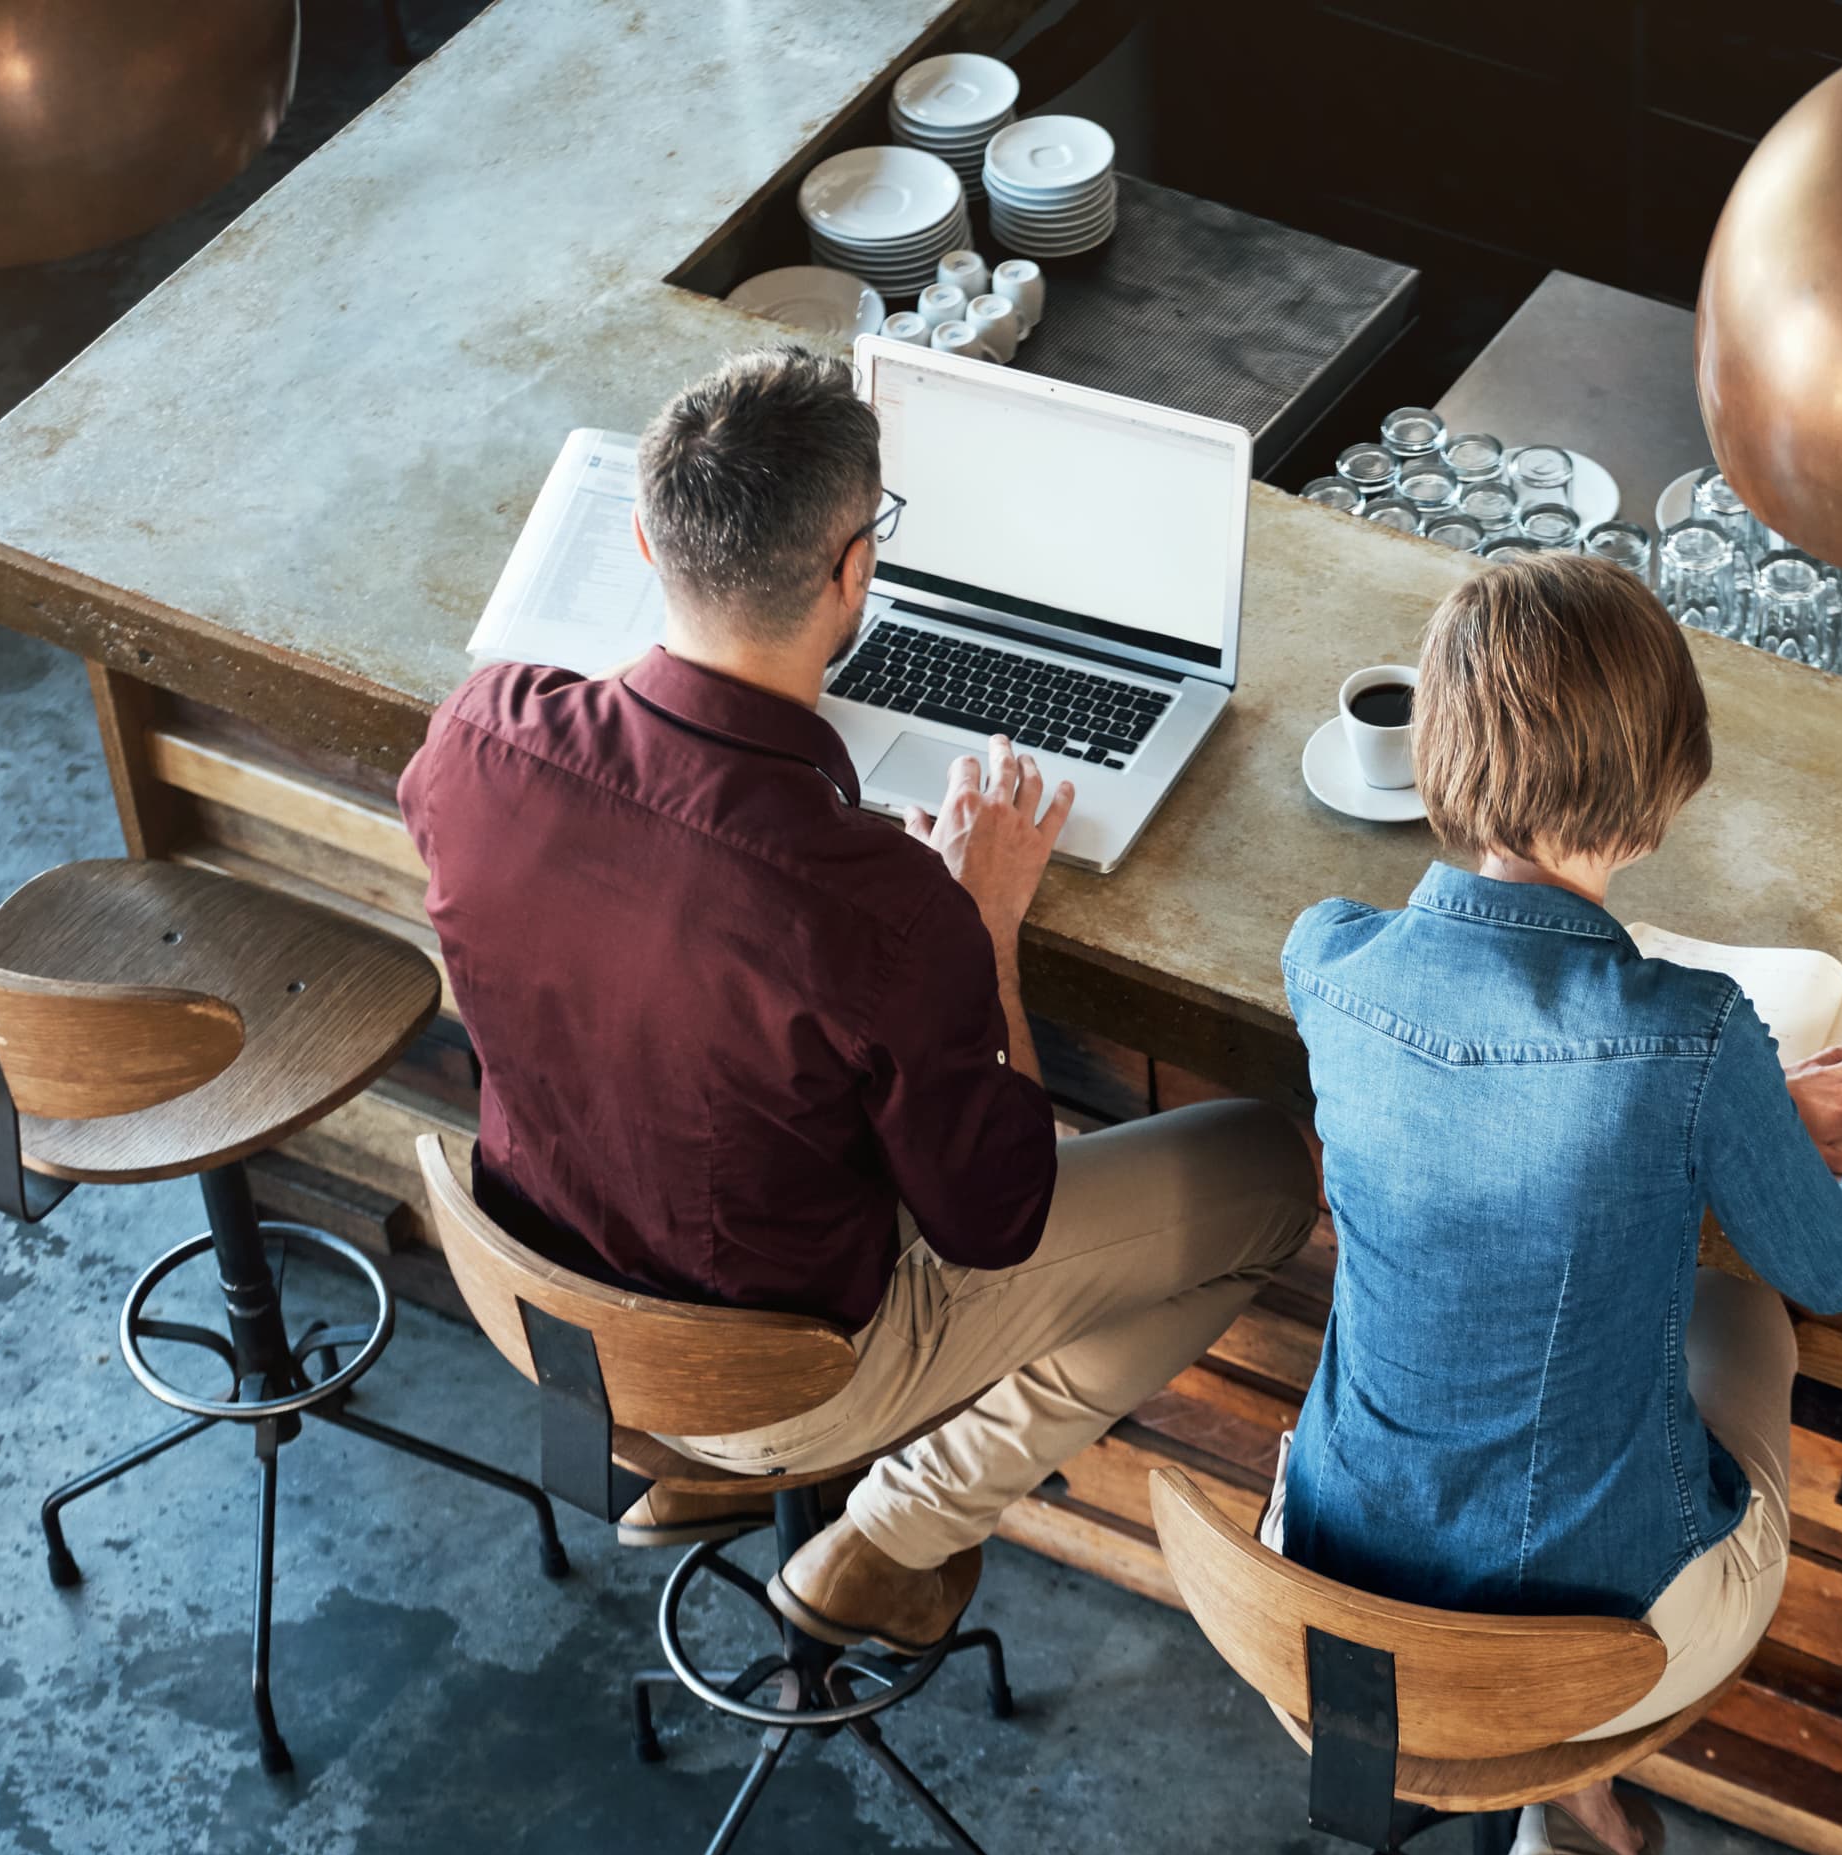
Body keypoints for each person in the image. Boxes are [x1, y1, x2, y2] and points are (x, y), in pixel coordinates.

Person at [403, 349, 1317, 1653]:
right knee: (1264, 1174)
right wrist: (981, 919)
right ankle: (892, 1532)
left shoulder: (482, 731)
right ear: (853, 573)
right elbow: (995, 1221)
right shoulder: (884, 905)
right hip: (791, 1364)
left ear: (643, 541)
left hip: (553, 1297)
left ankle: (700, 1451)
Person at [1274, 553, 1842, 1855]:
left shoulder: (1327, 959)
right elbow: (1836, 1262)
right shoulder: (1693, 1032)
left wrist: (1748, 1116)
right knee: (1745, 1312)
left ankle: (1567, 1808)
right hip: (1607, 1638)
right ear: (1663, 783)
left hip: (1329, 1590)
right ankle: (1567, 1788)